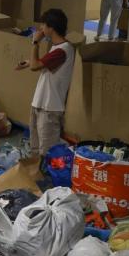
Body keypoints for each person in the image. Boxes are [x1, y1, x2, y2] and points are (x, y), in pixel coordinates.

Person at [16, 9, 74, 157]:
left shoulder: (63, 50)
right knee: (35, 149)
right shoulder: (57, 49)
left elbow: (36, 66)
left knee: (48, 153)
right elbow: (41, 64)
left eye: (43, 25)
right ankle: (36, 176)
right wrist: (29, 62)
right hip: (40, 104)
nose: (41, 29)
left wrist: (35, 42)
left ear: (51, 28)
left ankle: (46, 178)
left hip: (49, 108)